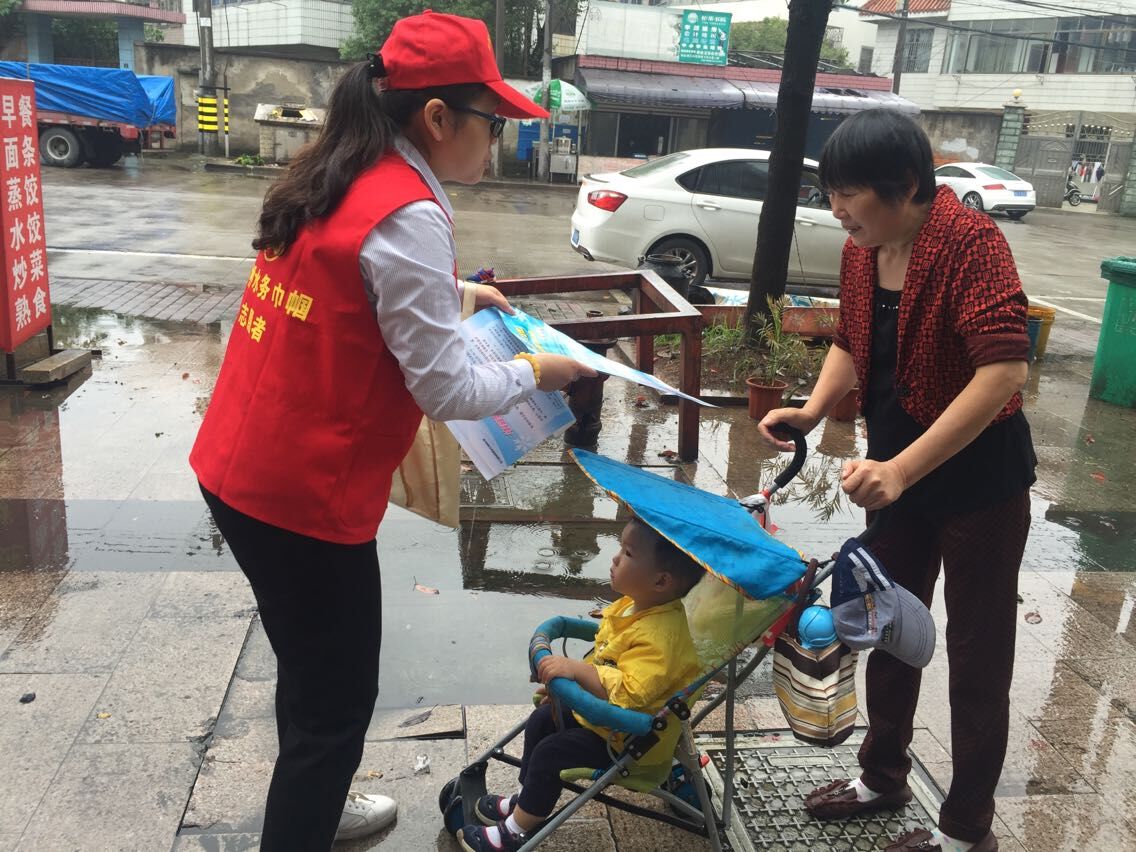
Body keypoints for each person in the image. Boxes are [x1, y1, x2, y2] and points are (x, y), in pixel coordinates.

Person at [189, 12, 595, 850]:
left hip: (240, 466)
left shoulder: (340, 169)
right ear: (438, 117)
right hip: (303, 498)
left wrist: (457, 293)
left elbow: (355, 289)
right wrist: (538, 370)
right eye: (493, 121)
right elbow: (446, 387)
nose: (498, 140)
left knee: (311, 672)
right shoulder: (408, 210)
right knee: (336, 706)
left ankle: (318, 798)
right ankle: (305, 817)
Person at [758, 110, 1036, 852]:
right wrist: (812, 410)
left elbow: (1003, 371)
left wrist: (902, 469)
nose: (837, 210)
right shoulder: (866, 249)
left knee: (977, 658)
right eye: (830, 193)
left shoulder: (971, 244)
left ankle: (967, 831)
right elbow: (852, 338)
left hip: (979, 482)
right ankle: (882, 777)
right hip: (894, 476)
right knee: (886, 626)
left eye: (849, 193)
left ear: (906, 185)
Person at [456, 517, 704, 851]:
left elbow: (629, 692)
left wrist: (576, 672)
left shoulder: (661, 637)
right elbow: (606, 651)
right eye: (621, 547)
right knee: (541, 721)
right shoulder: (635, 606)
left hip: (626, 735)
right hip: (600, 718)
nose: (615, 558)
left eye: (628, 553)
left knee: (550, 754)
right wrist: (567, 689)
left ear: (660, 580)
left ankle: (515, 831)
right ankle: (527, 801)